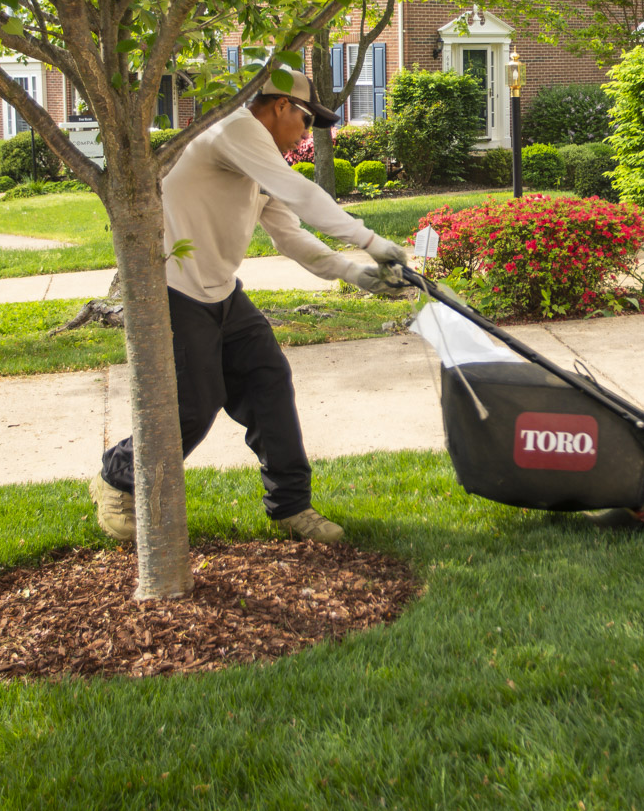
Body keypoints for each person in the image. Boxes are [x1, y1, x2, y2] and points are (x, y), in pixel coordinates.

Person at [89, 70, 408, 544]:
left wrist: (353, 272)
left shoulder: (256, 163)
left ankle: (291, 507)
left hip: (222, 293)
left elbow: (290, 234)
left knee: (269, 383)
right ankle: (117, 479)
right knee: (194, 406)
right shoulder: (235, 127)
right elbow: (302, 191)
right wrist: (370, 241)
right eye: (304, 119)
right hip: (175, 292)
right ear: (279, 106)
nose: (306, 133)